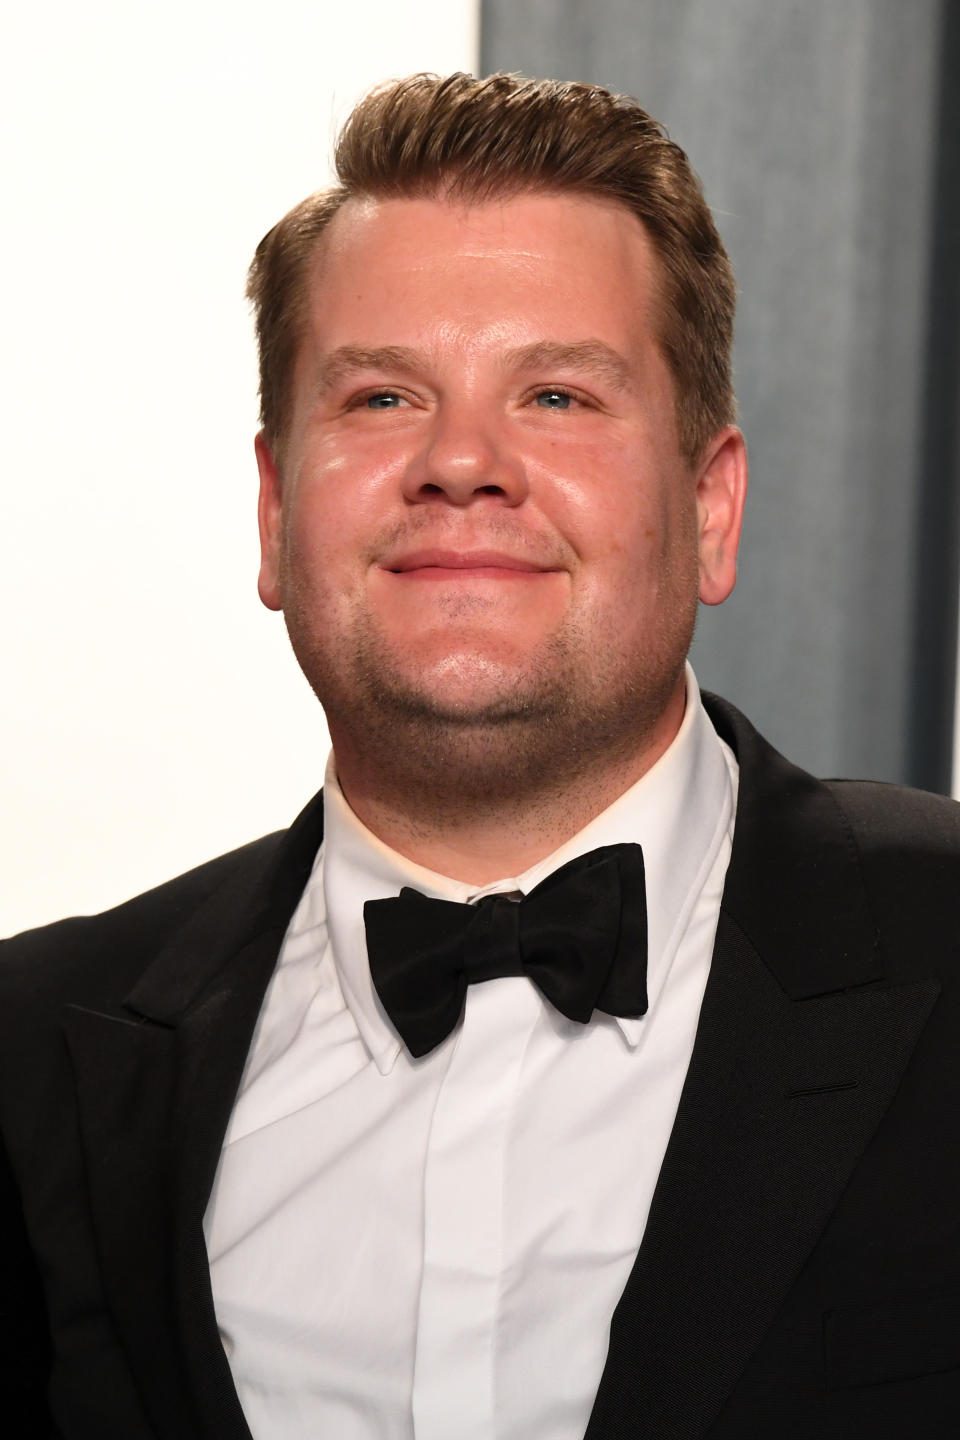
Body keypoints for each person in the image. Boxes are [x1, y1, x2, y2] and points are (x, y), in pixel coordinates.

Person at [1, 70, 958, 1440]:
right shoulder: (30, 1055)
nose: (461, 462)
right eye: (383, 397)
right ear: (276, 513)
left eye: (558, 396)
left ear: (710, 506)